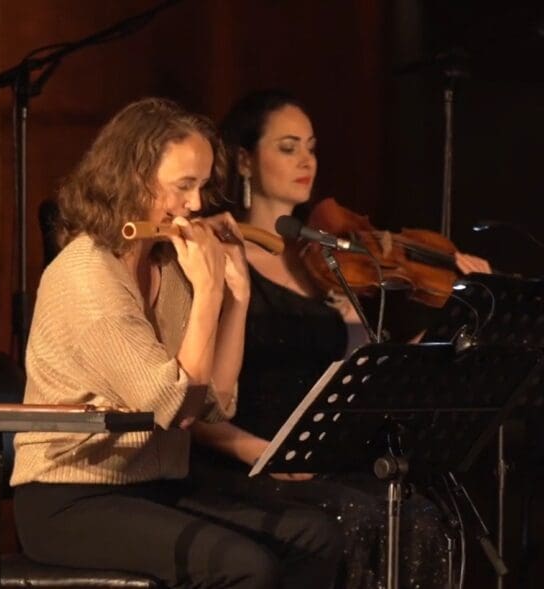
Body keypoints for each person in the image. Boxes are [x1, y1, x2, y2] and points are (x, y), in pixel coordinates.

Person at [9, 97, 342, 589]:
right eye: (183, 186)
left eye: (201, 186)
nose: (196, 204)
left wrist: (238, 296)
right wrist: (208, 292)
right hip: (71, 497)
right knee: (244, 566)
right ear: (133, 178)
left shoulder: (166, 263)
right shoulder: (86, 274)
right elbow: (172, 404)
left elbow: (215, 403)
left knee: (314, 535)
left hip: (153, 485)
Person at [190, 90, 490, 588]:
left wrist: (455, 314)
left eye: (311, 147)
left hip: (318, 460)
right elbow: (191, 390)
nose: (306, 160)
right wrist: (258, 452)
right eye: (288, 147)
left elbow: (366, 371)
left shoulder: (323, 259)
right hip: (240, 460)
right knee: (357, 517)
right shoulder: (216, 252)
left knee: (423, 514)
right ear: (244, 159)